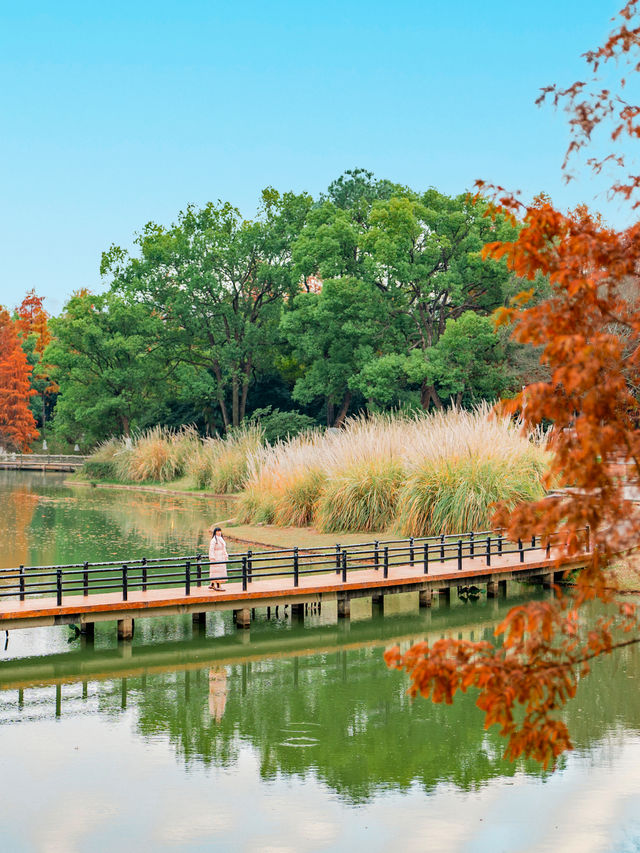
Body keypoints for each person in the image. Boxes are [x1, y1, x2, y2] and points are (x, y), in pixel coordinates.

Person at [208, 525, 228, 590]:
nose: (219, 532)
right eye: (217, 531)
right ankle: (218, 585)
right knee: (216, 571)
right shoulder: (214, 540)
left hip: (221, 556)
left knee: (219, 571)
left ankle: (212, 584)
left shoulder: (221, 539)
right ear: (215, 532)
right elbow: (211, 549)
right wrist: (212, 557)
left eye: (220, 531)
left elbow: (223, 548)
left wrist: (225, 555)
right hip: (216, 557)